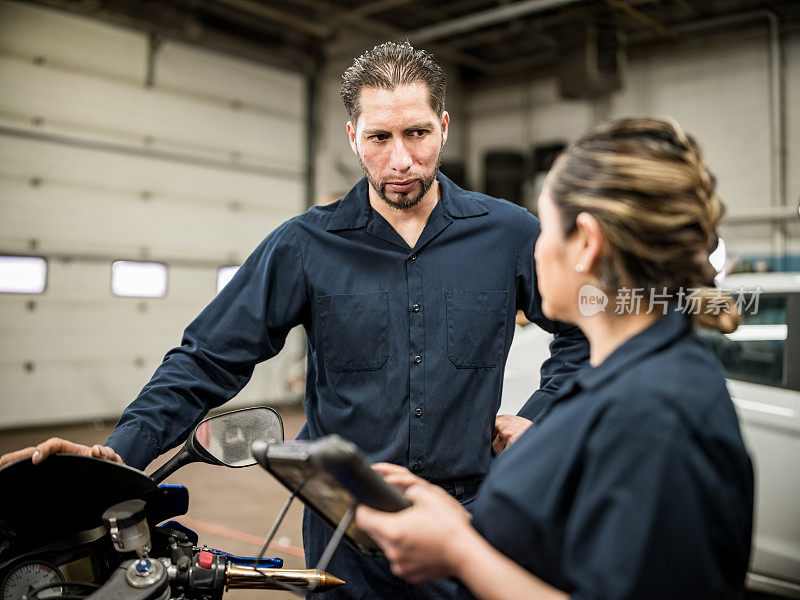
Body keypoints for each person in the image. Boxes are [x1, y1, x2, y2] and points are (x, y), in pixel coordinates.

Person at [0, 42, 588, 599]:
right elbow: (208, 357)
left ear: (445, 126)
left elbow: (585, 334)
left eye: (417, 133)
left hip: (470, 517)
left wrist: (542, 417)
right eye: (380, 137)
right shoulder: (304, 246)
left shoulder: (510, 235)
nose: (401, 159)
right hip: (344, 533)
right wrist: (119, 458)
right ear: (353, 137)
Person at [356, 117, 755, 600]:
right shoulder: (620, 382)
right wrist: (452, 519)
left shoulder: (656, 414)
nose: (536, 247)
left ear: (585, 243)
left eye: (546, 228)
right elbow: (568, 550)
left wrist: (461, 551)